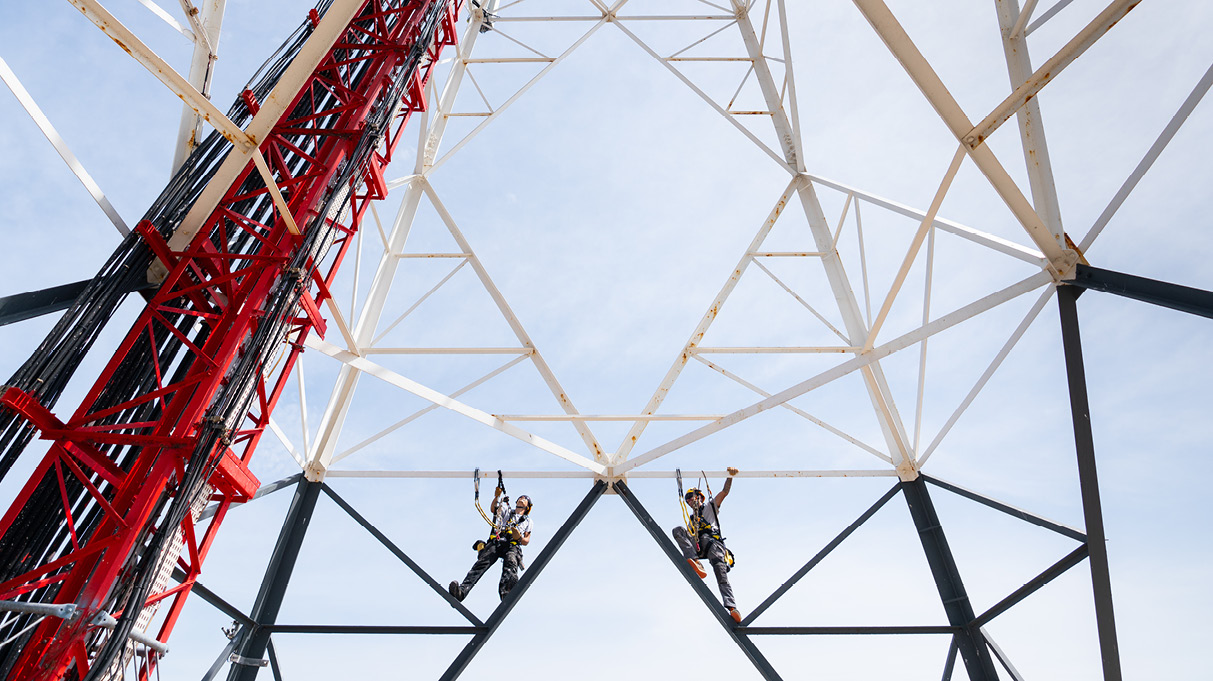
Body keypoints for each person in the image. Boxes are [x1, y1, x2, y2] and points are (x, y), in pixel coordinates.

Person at [673, 466, 741, 622]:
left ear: (700, 497)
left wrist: (730, 477)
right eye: (688, 498)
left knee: (721, 576)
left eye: (692, 497)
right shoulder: (692, 520)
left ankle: (732, 607)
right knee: (678, 530)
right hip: (700, 548)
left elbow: (724, 493)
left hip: (714, 545)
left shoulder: (710, 507)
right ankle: (695, 562)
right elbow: (687, 537)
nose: (690, 500)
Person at [450, 486, 534, 602]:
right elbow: (494, 509)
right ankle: (461, 591)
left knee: (511, 561)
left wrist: (519, 537)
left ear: (527, 506)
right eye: (520, 497)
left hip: (512, 545)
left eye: (524, 498)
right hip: (498, 541)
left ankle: (507, 592)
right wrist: (497, 496)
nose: (521, 498)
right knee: (481, 564)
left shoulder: (528, 521)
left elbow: (526, 541)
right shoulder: (507, 511)